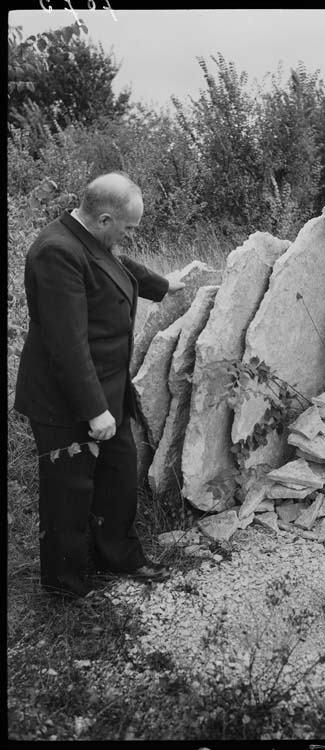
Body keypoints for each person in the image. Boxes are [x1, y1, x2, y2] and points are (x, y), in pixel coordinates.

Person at [14, 172, 185, 599]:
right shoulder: (56, 252)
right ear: (105, 219)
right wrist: (94, 410)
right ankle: (65, 588)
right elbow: (66, 344)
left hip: (107, 387)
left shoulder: (86, 236)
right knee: (68, 495)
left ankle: (120, 558)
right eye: (128, 227)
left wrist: (162, 285)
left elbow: (115, 264)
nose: (130, 235)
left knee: (118, 477)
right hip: (64, 400)